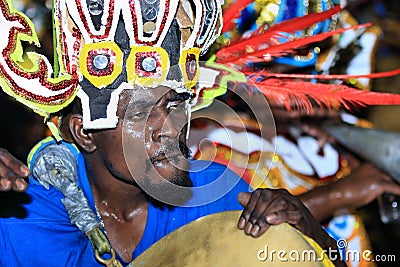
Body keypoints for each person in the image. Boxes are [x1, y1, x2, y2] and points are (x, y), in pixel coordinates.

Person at [0, 0, 346, 266]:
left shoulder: (211, 190)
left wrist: (309, 231)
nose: (171, 128)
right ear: (85, 133)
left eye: (175, 104)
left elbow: (331, 257)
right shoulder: (26, 212)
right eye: (139, 113)